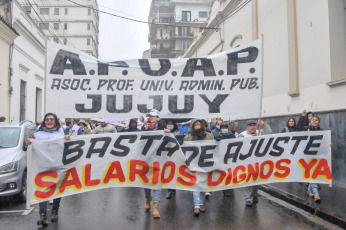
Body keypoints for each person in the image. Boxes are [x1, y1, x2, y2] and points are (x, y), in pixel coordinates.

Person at [26, 113, 70, 226]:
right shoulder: (38, 134)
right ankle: (42, 215)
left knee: (57, 188)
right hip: (43, 166)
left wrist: (67, 138)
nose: (49, 121)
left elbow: (70, 144)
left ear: (55, 121)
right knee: (43, 190)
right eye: (47, 119)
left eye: (51, 119)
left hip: (58, 164)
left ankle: (55, 211)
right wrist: (29, 143)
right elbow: (28, 129)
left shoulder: (61, 131)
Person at [141, 109, 170, 219]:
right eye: (149, 116)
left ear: (158, 118)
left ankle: (156, 207)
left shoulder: (164, 129)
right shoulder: (144, 128)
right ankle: (147, 197)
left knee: (156, 182)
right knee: (146, 181)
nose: (150, 118)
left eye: (153, 116)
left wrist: (168, 134)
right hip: (146, 159)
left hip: (159, 159)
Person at [239, 119, 272, 207]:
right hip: (247, 161)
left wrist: (264, 124)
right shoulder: (242, 135)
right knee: (248, 180)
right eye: (250, 125)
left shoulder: (260, 132)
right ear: (247, 127)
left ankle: (253, 195)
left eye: (254, 125)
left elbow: (269, 133)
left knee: (257, 181)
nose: (252, 127)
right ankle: (248, 198)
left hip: (258, 161)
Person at [184, 119, 214, 216]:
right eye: (195, 125)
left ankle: (201, 203)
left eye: (199, 124)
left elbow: (214, 147)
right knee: (196, 184)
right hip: (193, 164)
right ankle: (197, 206)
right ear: (192, 127)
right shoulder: (188, 137)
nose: (197, 126)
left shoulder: (208, 136)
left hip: (205, 163)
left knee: (202, 184)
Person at [297, 111, 324, 202]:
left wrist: (329, 144)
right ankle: (316, 194)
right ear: (310, 121)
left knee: (313, 173)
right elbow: (298, 127)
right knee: (313, 173)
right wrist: (302, 116)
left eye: (316, 120)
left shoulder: (322, 131)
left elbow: (325, 141)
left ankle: (309, 190)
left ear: (318, 122)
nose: (314, 121)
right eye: (313, 120)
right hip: (307, 155)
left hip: (318, 155)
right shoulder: (306, 129)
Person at [215, 124, 236, 197]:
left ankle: (229, 186)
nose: (224, 129)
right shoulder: (217, 136)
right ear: (220, 129)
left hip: (230, 157)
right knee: (224, 173)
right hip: (221, 157)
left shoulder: (232, 136)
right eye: (223, 128)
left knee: (230, 173)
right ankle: (225, 190)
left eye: (226, 128)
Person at [165, 120, 180, 199]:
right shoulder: (164, 132)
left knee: (175, 172)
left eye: (171, 123)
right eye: (168, 123)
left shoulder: (178, 132)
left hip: (176, 155)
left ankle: (174, 188)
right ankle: (170, 190)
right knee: (168, 172)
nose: (170, 124)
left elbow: (181, 142)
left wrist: (180, 137)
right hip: (167, 155)